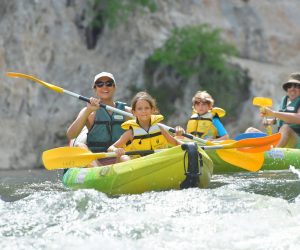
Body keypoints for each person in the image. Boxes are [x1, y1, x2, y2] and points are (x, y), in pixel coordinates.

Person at [66, 72, 131, 155]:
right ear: (95, 89)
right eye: (100, 84)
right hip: (97, 158)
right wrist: (88, 111)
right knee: (80, 145)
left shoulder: (127, 112)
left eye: (109, 84)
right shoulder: (88, 112)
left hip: (120, 157)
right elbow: (71, 135)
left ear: (114, 87)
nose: (104, 86)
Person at [108, 92, 182, 161]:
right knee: (124, 157)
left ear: (152, 110)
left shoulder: (159, 128)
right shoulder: (130, 133)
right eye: (140, 109)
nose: (144, 111)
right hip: (139, 165)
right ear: (134, 112)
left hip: (159, 161)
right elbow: (110, 148)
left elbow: (175, 142)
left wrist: (188, 146)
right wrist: (115, 150)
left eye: (147, 108)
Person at [246, 72, 300, 148]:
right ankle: (247, 151)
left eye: (297, 86)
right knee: (250, 130)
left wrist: (273, 113)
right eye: (290, 85)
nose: (292, 89)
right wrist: (272, 121)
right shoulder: (285, 101)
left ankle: (274, 153)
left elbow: (298, 118)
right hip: (283, 138)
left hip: (297, 142)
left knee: (285, 128)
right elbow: (283, 117)